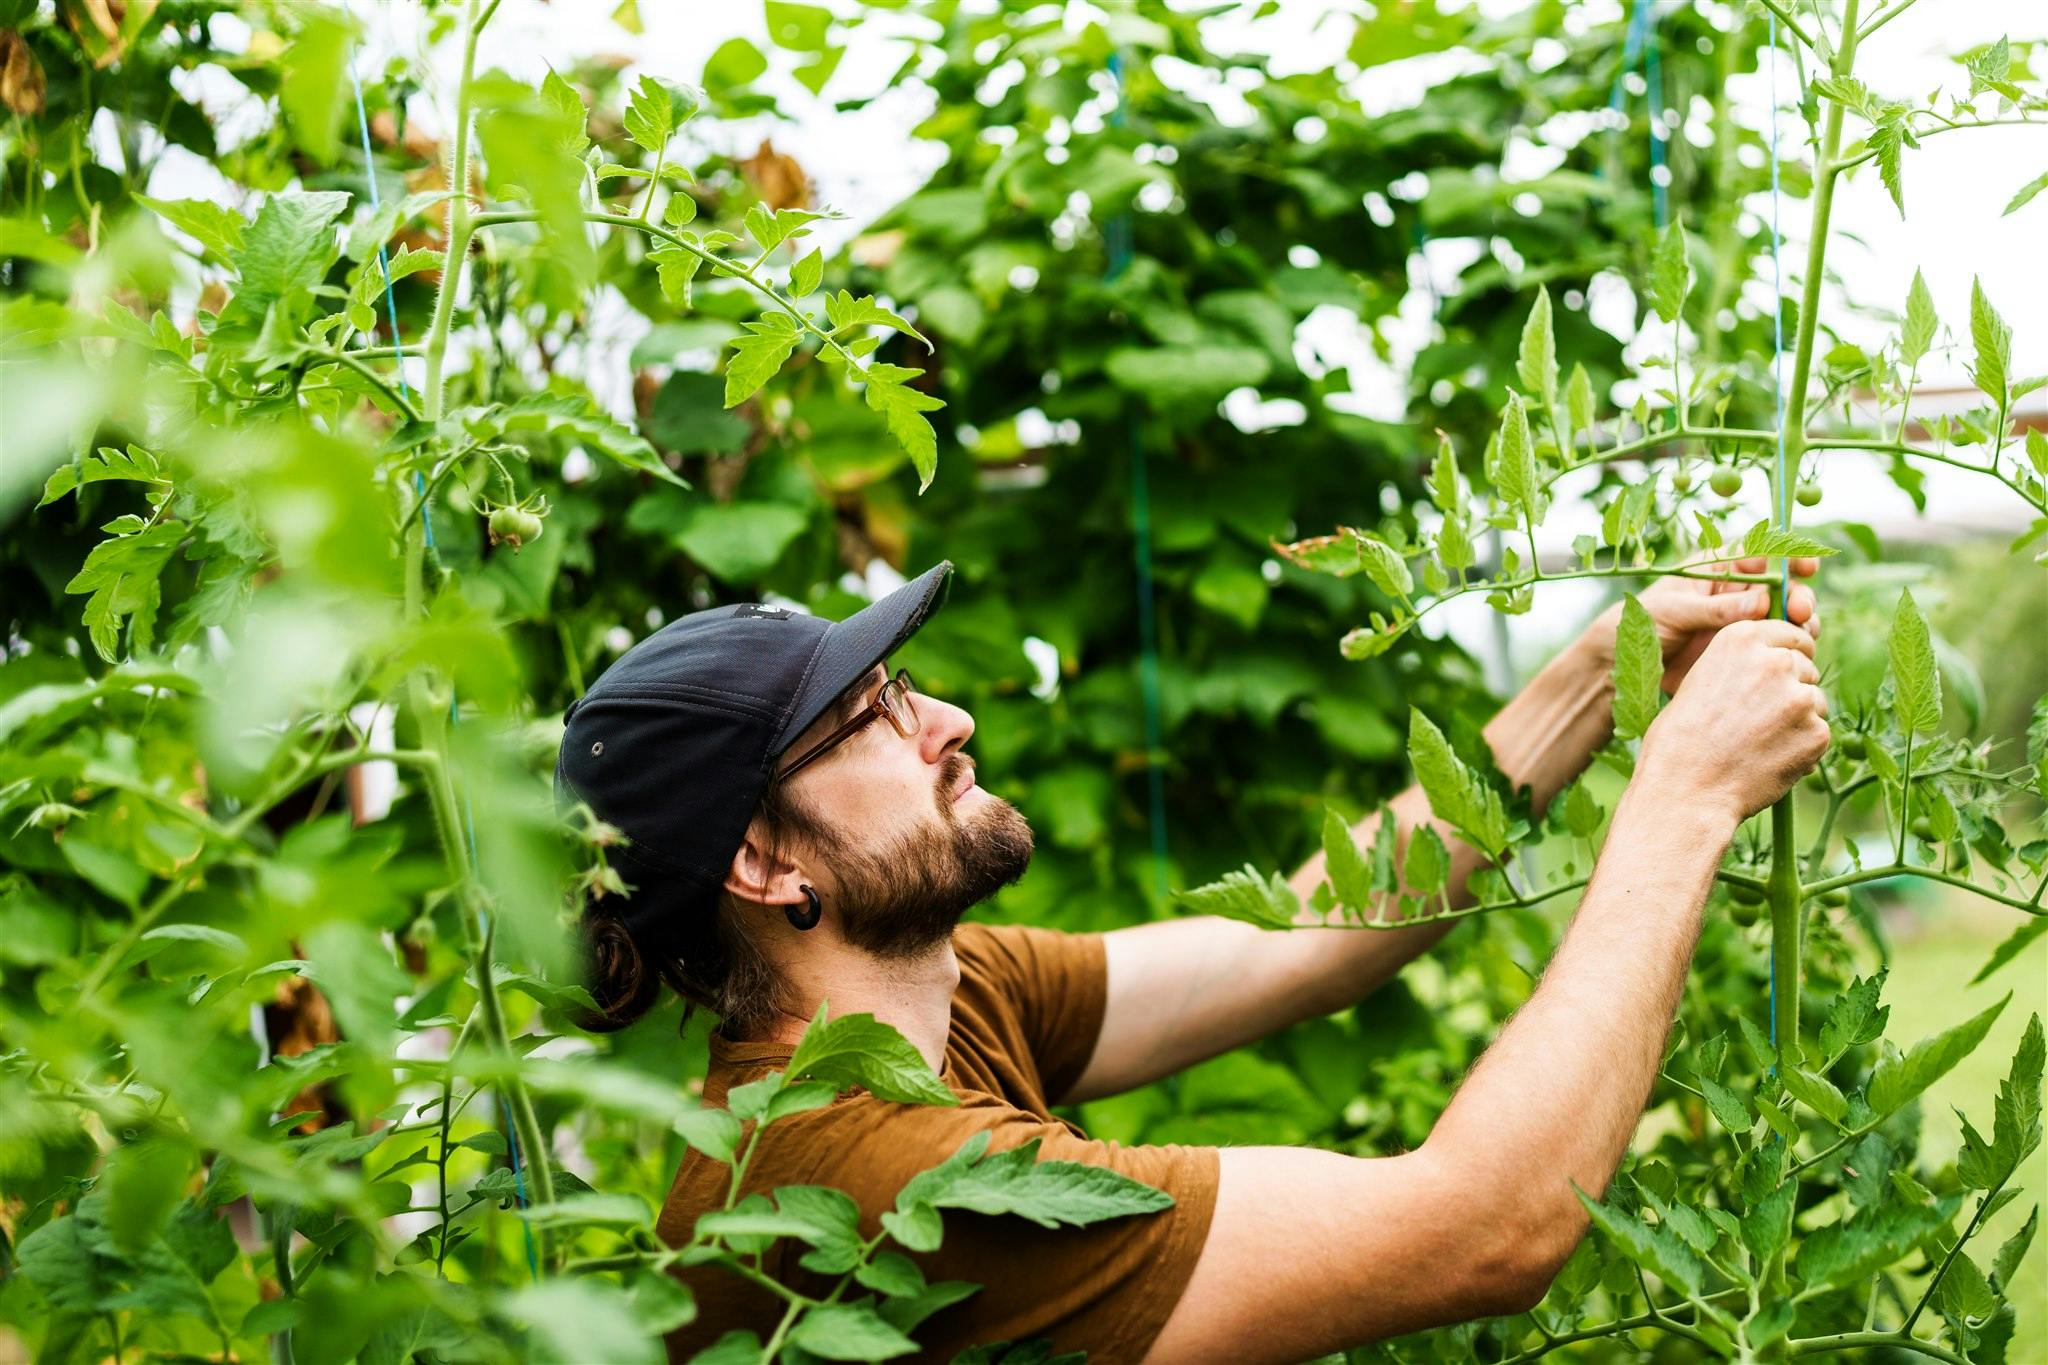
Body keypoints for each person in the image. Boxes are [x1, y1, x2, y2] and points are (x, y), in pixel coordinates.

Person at [553, 554, 1827, 1364]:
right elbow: (1481, 1229)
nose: (946, 719)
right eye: (868, 716)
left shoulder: (933, 1002)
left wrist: (1591, 684)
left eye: (906, 683)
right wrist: (1681, 802)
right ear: (765, 868)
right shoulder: (866, 1178)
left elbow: (1291, 943)